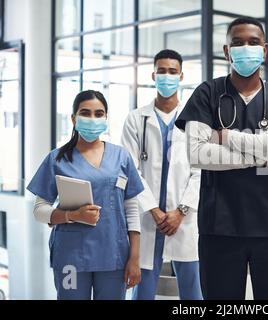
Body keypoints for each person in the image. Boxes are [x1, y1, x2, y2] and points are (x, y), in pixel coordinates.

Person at [175, 17, 268, 300]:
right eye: (237, 43)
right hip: (220, 228)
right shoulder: (207, 94)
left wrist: (228, 137)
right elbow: (198, 154)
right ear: (226, 51)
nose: (246, 48)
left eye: (253, 42)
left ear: (265, 49)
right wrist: (266, 155)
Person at [27, 90, 144, 300]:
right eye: (85, 113)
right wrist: (72, 216)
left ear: (106, 118)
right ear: (73, 118)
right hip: (71, 255)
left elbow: (132, 209)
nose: (93, 119)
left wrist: (134, 257)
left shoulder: (121, 157)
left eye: (99, 114)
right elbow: (39, 210)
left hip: (114, 255)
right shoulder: (57, 159)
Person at [122, 49, 202, 300]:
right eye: (162, 71)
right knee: (143, 290)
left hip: (184, 219)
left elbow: (201, 171)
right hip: (147, 218)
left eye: (172, 71)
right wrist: (153, 210)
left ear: (181, 76)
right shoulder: (136, 119)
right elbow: (130, 169)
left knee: (192, 289)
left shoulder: (196, 121)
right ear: (153, 74)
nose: (167, 76)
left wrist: (181, 211)